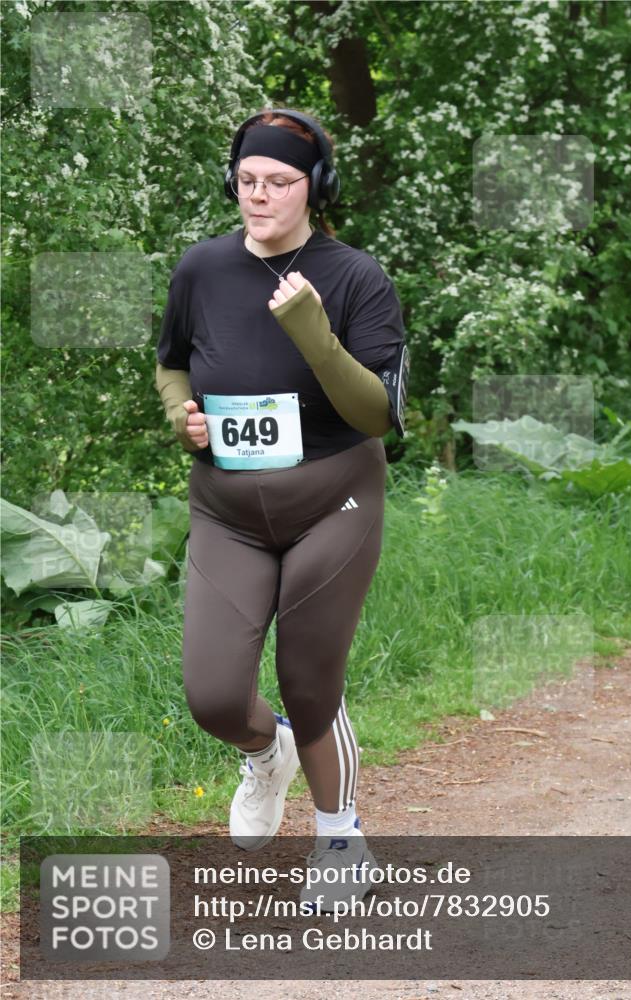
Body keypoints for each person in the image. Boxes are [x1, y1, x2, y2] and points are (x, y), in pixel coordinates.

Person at [155, 108, 409, 911]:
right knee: (214, 698)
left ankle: (341, 838)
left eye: (277, 182)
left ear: (314, 188)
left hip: (332, 498)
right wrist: (180, 415)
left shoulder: (355, 278)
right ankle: (266, 756)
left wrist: (313, 331)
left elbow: (375, 414)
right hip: (226, 508)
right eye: (246, 181)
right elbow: (170, 365)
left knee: (309, 682)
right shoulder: (200, 269)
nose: (257, 196)